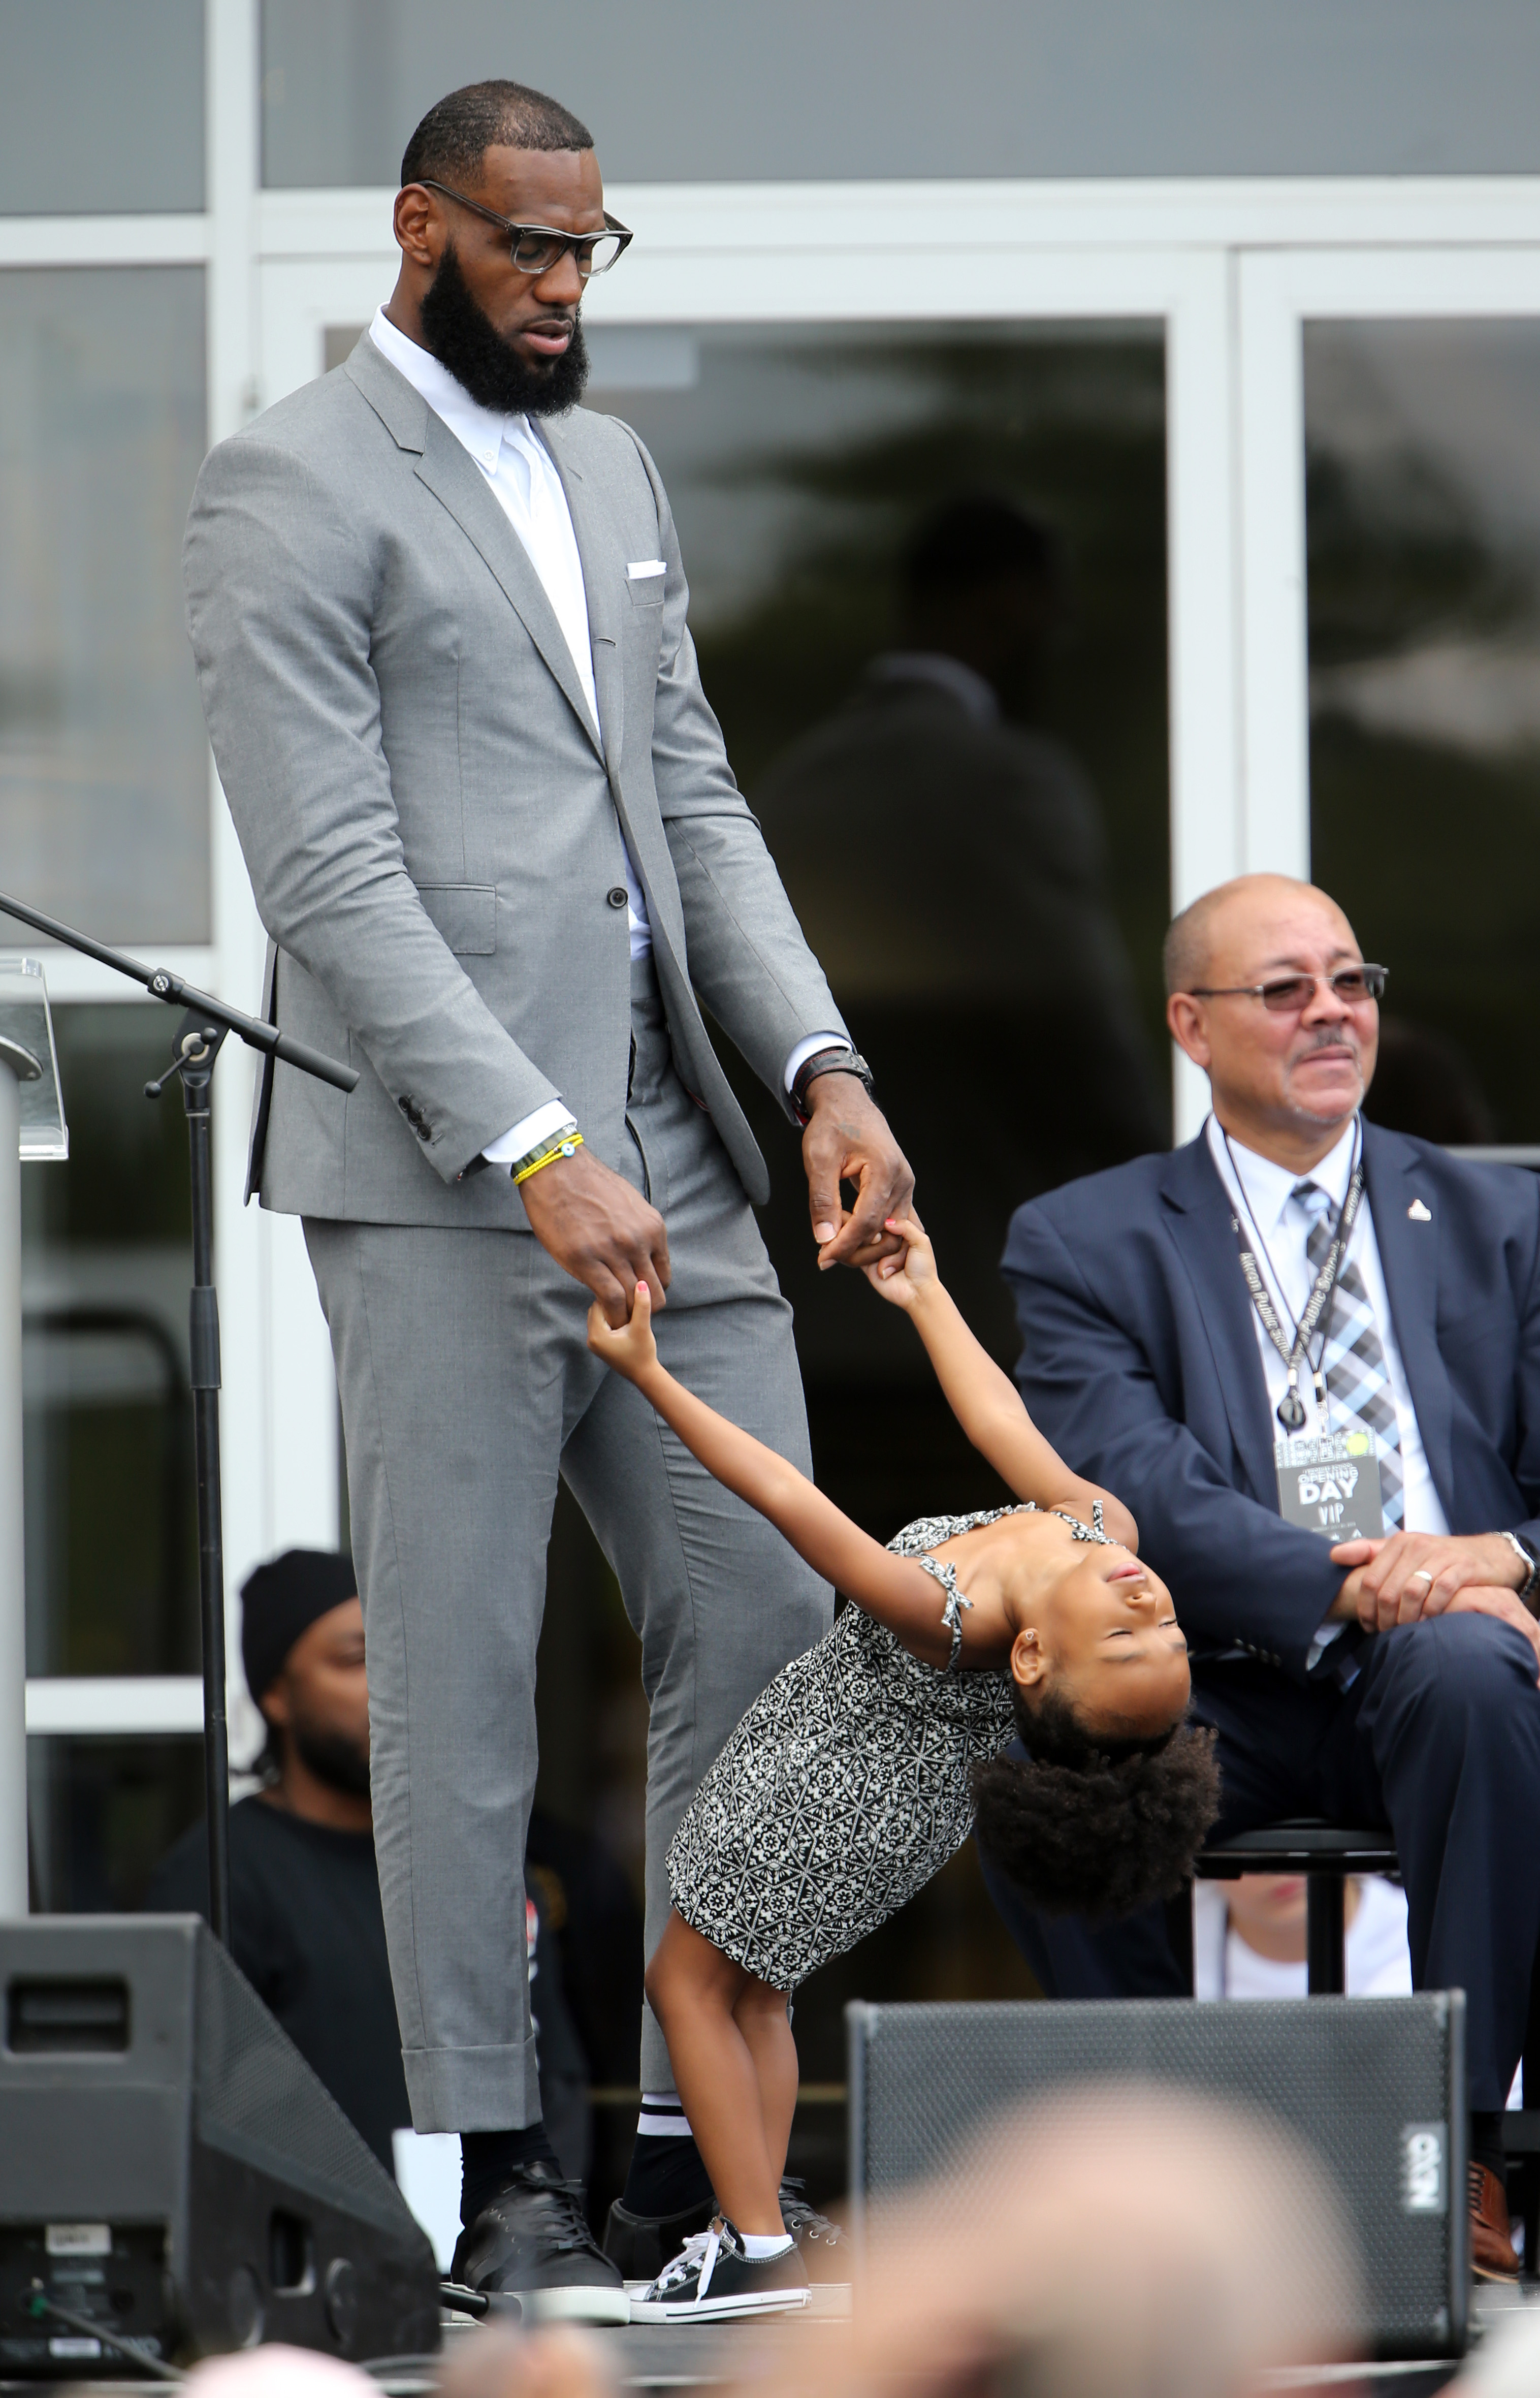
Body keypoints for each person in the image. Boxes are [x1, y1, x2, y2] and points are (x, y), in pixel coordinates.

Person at [182, 78, 915, 2320]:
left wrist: (816, 1059)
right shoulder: (284, 483)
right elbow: (325, 870)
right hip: (443, 1175)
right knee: (463, 1677)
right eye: (525, 247)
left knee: (786, 1623)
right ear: (421, 228)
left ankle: (715, 2142)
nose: (562, 286)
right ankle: (491, 2168)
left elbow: (689, 794)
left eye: (590, 249)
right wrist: (529, 1135)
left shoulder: (609, 466)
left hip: (680, 1141)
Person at [992, 870, 1540, 2282]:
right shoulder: (1086, 1238)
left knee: (1474, 1668)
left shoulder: (1498, 1221)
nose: (1332, 1013)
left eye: (1352, 982)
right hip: (1221, 1678)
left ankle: (1463, 2155)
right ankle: (1163, 2170)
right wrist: (1363, 1581)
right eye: (1286, 988)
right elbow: (1132, 1486)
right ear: (1192, 1023)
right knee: (1043, 1760)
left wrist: (1488, 1559)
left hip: (1456, 1673)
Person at [585, 1218, 1216, 2323]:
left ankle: (747, 2246)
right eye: (1167, 1629)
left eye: (1128, 1638)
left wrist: (651, 1375)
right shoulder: (1096, 1525)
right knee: (759, 1995)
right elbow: (996, 1416)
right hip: (879, 1804)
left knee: (685, 1983)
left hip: (819, 1793)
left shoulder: (949, 1615)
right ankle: (762, 2224)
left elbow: (789, 1500)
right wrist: (923, 1289)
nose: (1147, 1601)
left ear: (1029, 1658)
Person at [749, 494, 1164, 1370]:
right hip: (964, 1289)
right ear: (1009, 602)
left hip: (800, 1295)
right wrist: (1182, 1199)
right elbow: (1081, 1043)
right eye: (1055, 617)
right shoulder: (1005, 782)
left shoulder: (789, 786)